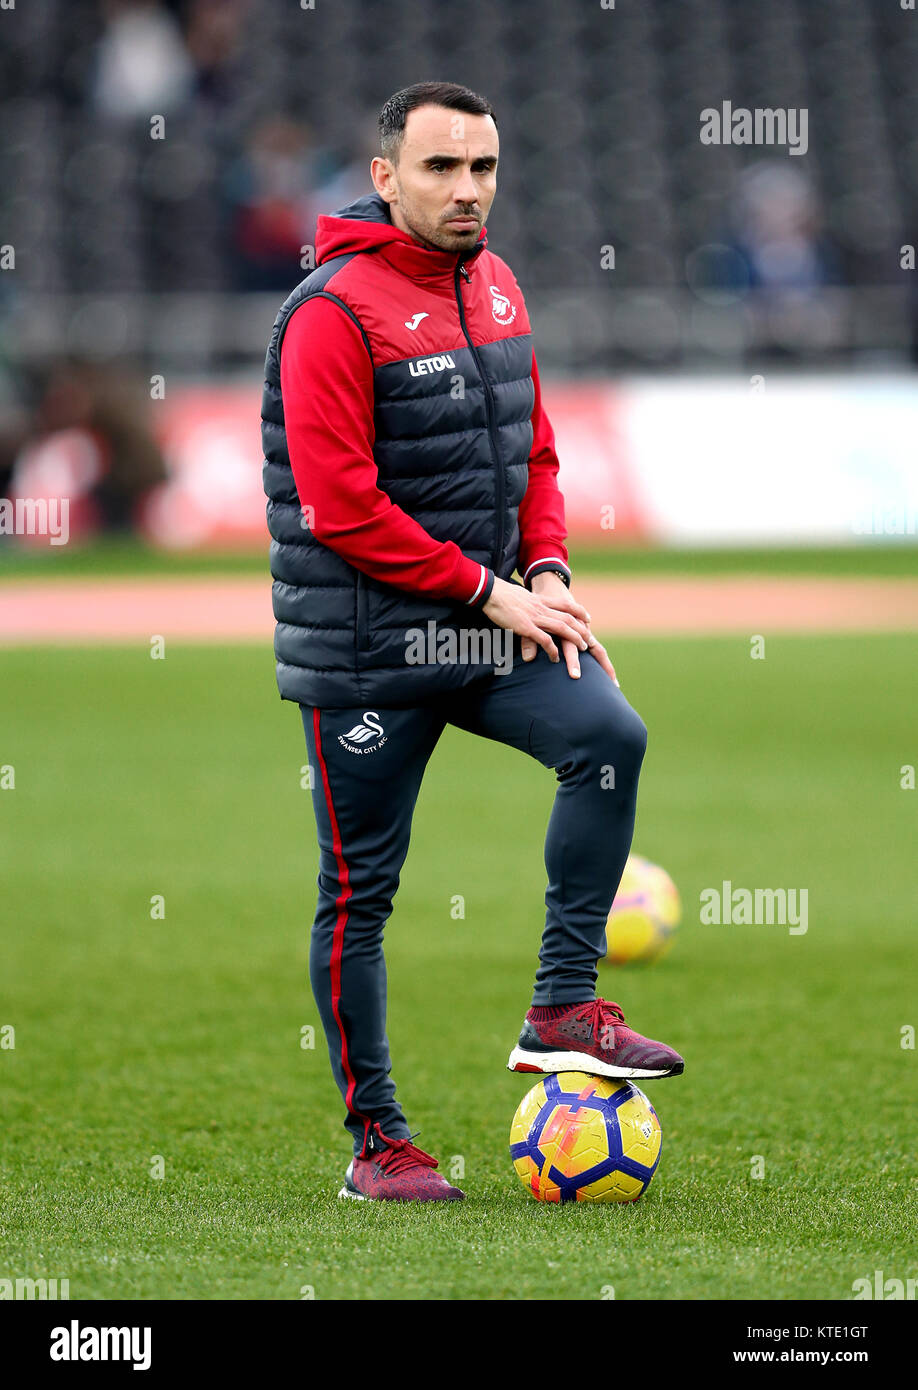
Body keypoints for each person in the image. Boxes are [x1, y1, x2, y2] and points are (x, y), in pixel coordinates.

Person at [262, 82, 684, 1203]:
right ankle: (378, 1144)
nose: (467, 190)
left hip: (488, 615)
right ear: (385, 174)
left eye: (484, 168)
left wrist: (544, 568)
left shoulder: (493, 284)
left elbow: (533, 458)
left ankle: (562, 1006)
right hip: (366, 649)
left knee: (609, 733)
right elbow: (339, 504)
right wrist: (491, 592)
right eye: (442, 168)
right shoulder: (328, 314)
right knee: (361, 897)